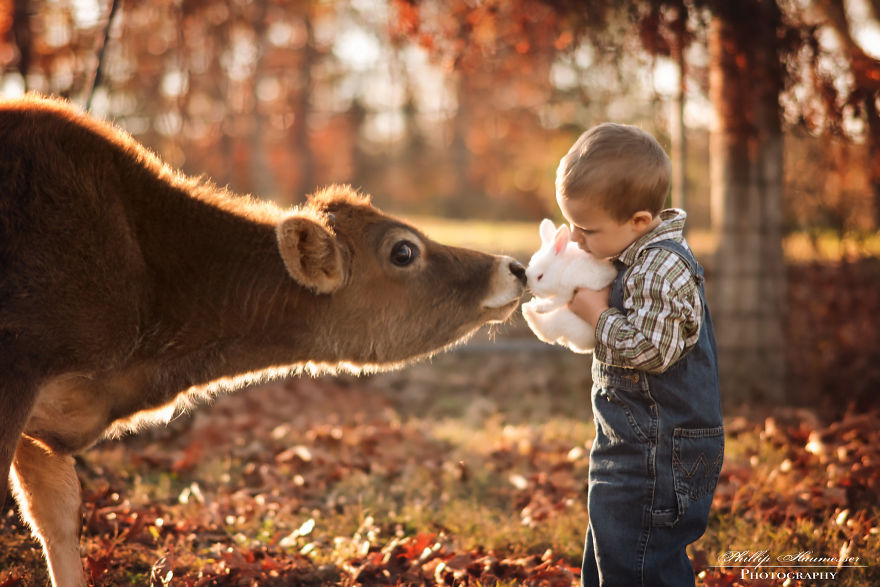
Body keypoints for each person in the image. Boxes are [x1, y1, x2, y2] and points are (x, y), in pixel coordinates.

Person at [557, 123, 724, 586]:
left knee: (641, 560)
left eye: (586, 228)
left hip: (661, 451)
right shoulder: (635, 257)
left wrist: (597, 314)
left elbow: (653, 349)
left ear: (638, 221)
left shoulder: (661, 267)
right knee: (613, 547)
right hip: (634, 441)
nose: (574, 239)